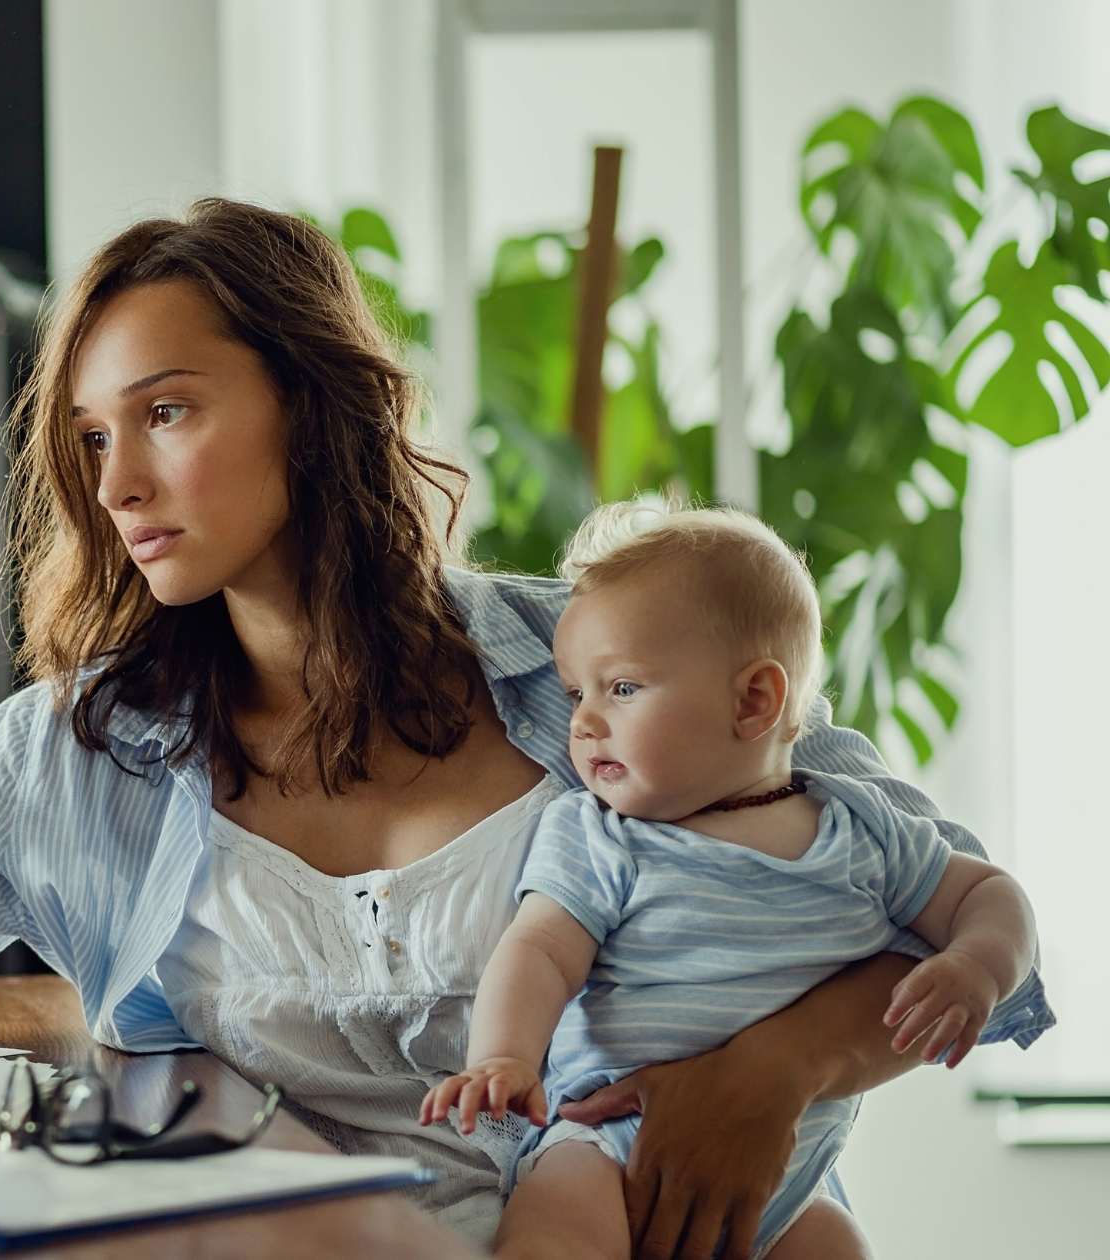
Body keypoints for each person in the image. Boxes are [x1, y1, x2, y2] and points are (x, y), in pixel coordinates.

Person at [0, 200, 1054, 1252]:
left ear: (314, 405)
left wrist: (775, 1069)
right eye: (93, 437)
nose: (118, 485)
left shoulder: (595, 662)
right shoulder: (73, 758)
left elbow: (945, 906)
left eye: (167, 412)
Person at [419, 502, 1042, 1258]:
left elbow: (986, 894)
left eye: (621, 689)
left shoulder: (861, 830)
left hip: (782, 1176)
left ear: (753, 701)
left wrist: (977, 963)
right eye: (576, 692)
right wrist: (504, 1058)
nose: (581, 722)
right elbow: (541, 950)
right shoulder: (602, 835)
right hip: (602, 1143)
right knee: (558, 1233)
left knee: (840, 1247)